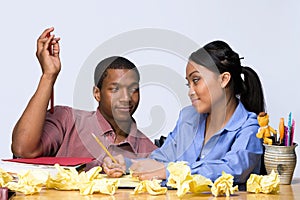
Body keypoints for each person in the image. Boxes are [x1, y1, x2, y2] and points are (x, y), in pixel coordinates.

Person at [103, 40, 265, 189]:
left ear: (223, 80)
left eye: (196, 80)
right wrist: (127, 164)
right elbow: (161, 160)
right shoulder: (188, 118)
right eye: (189, 83)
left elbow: (233, 170)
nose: (190, 92)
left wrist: (170, 172)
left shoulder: (249, 128)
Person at [11, 27, 157, 169]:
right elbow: (22, 149)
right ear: (97, 93)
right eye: (115, 89)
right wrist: (49, 75)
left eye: (133, 89)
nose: (126, 97)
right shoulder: (67, 121)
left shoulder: (149, 151)